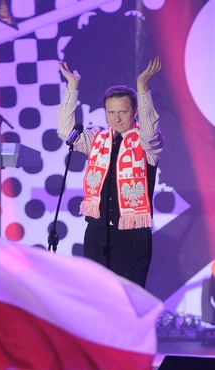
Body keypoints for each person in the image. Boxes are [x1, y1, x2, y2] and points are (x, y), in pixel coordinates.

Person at [57, 57, 163, 288]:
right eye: (111, 112)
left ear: (135, 111)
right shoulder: (96, 139)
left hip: (132, 237)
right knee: (98, 297)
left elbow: (149, 130)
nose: (116, 118)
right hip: (97, 234)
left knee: (128, 299)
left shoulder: (147, 143)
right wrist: (72, 86)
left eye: (123, 112)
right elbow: (65, 131)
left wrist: (142, 87)